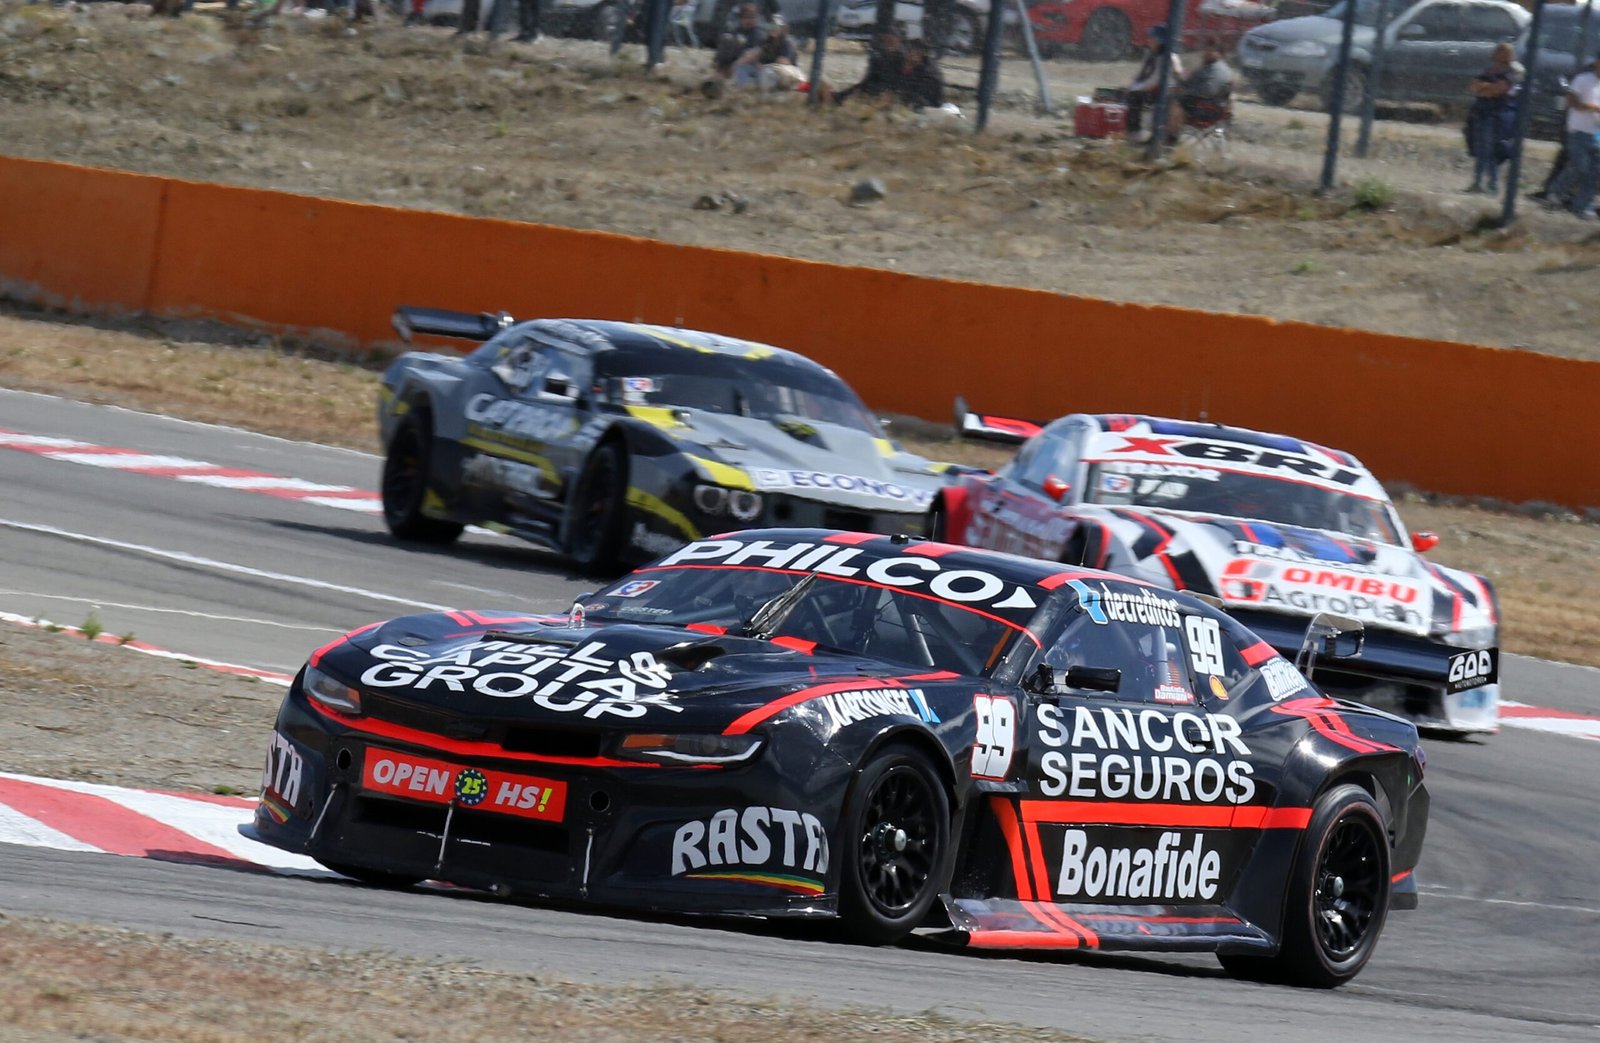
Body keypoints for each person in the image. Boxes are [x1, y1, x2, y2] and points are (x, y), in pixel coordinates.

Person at [1464, 42, 1523, 194]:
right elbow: (1473, 87)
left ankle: (1493, 185)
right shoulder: (1489, 71)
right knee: (1480, 149)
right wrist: (1486, 88)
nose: (1498, 54)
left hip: (1498, 114)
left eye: (1502, 51)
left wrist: (1485, 88)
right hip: (1481, 112)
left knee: (1492, 150)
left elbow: (1499, 89)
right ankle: (1477, 182)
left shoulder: (1513, 72)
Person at [1126, 25, 1183, 137]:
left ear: (1160, 41)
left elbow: (1155, 81)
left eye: (1152, 38)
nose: (1149, 40)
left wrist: (1135, 89)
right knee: (1128, 94)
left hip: (1165, 93)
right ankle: (1127, 130)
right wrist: (1131, 87)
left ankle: (1135, 132)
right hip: (1154, 90)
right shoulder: (1150, 54)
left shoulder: (1168, 57)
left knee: (1134, 97)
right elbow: (1141, 75)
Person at [1171, 42, 1233, 137]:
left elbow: (1208, 90)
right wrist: (1179, 75)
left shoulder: (1219, 70)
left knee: (1174, 103)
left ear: (1220, 53)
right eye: (1207, 50)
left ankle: (1171, 138)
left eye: (1211, 51)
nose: (1207, 52)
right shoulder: (1208, 67)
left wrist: (1185, 91)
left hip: (1208, 110)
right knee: (1169, 97)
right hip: (1201, 104)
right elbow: (1189, 81)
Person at [1564, 54, 1600, 219]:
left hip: (1597, 133)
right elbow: (1571, 101)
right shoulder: (1583, 79)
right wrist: (1590, 107)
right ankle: (1556, 191)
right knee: (1580, 167)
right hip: (1579, 130)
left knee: (1595, 171)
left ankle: (1583, 206)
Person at [833, 28, 905, 105]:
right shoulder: (878, 55)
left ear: (899, 41)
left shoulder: (902, 58)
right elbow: (869, 78)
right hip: (876, 88)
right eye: (885, 41)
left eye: (891, 41)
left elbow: (898, 81)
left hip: (894, 92)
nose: (888, 44)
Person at [714, 3, 768, 81]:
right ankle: (719, 75)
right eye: (747, 17)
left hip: (751, 65)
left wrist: (735, 66)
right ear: (741, 18)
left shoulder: (759, 34)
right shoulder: (736, 31)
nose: (750, 20)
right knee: (726, 38)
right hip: (734, 61)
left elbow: (754, 53)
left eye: (753, 17)